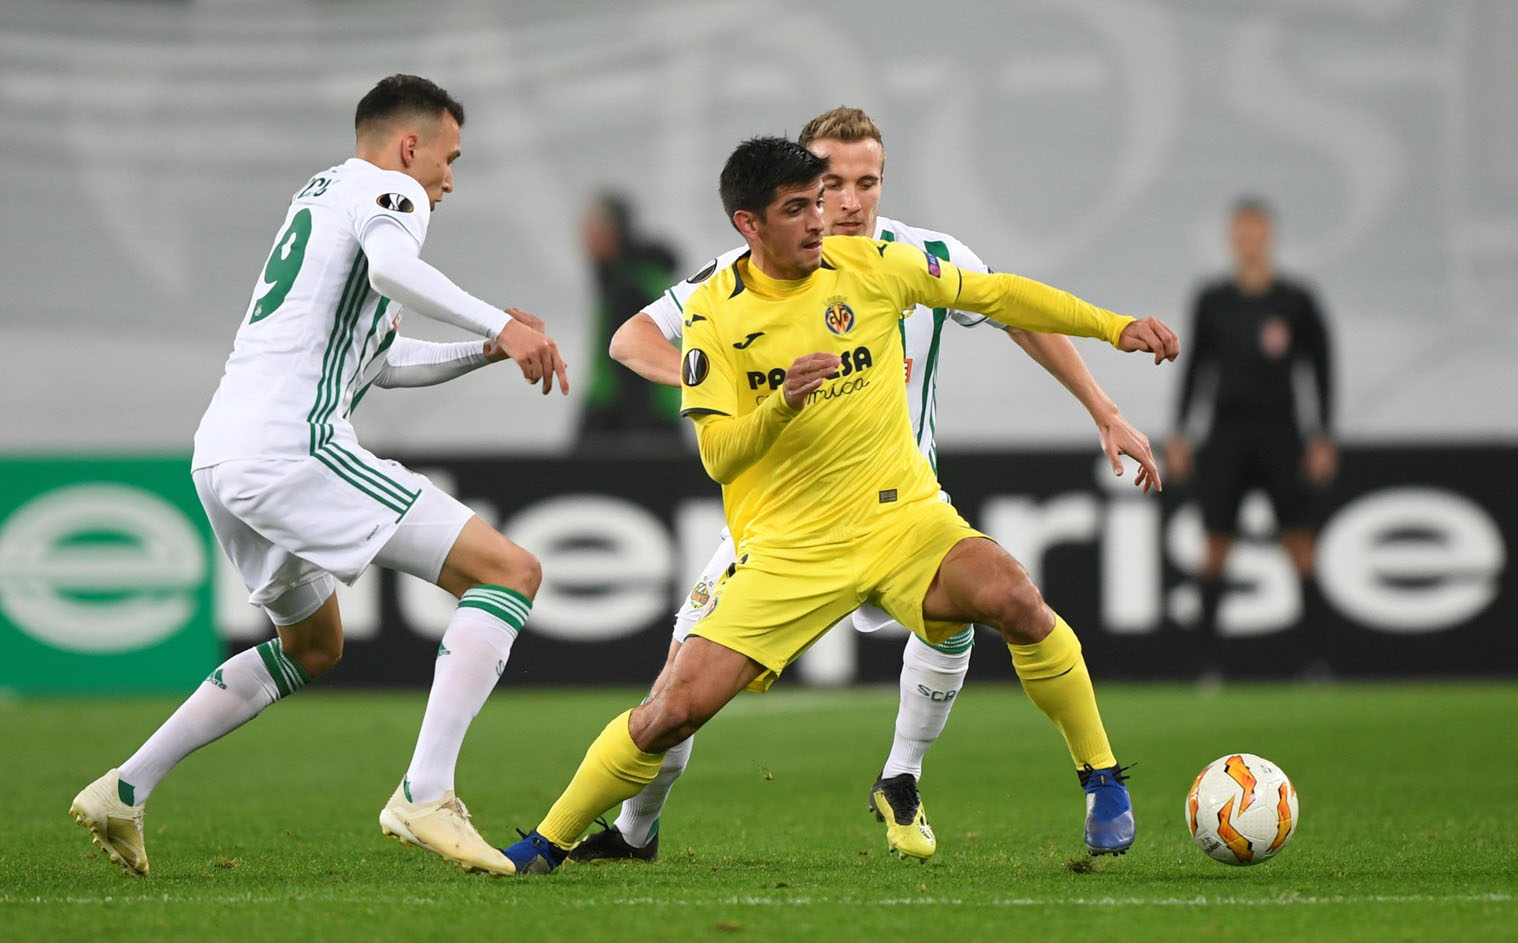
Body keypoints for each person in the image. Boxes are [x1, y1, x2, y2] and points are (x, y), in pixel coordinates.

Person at [499, 137, 1178, 875]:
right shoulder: (713, 315)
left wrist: (1114, 327)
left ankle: (1100, 776)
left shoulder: (871, 265)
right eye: (798, 208)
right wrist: (781, 403)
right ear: (748, 225)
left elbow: (1001, 295)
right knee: (672, 709)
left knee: (1014, 595)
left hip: (902, 520)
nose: (821, 219)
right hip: (792, 547)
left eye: (819, 201)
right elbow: (719, 454)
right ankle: (548, 841)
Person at [69, 74, 568, 878]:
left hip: (223, 453)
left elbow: (383, 362)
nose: (449, 179)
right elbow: (395, 276)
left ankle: (125, 787)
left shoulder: (325, 198)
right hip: (289, 447)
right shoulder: (388, 192)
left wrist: (482, 349)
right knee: (511, 571)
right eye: (449, 157)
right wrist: (499, 322)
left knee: (311, 643)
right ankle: (425, 792)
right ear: (411, 146)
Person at [1166, 198, 1335, 665]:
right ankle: (1206, 666)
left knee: (1299, 543)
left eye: (1257, 231)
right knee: (1216, 544)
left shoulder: (1295, 300)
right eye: (1241, 232)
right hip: (1226, 433)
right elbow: (1195, 368)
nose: (1249, 240)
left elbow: (1320, 368)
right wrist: (1180, 432)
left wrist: (1322, 435)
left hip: (1281, 431)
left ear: (1270, 236)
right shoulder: (1213, 300)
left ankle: (1316, 663)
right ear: (1231, 238)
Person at [575, 192, 682, 451]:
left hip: (625, 420)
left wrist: (636, 436)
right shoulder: (637, 276)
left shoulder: (629, 287)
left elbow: (633, 363)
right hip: (655, 414)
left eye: (593, 229)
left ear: (615, 232)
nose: (585, 239)